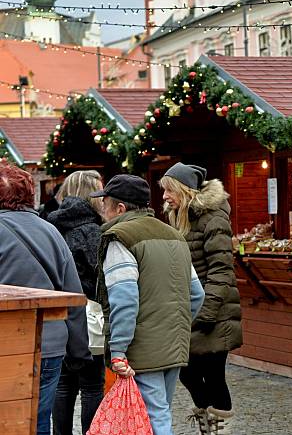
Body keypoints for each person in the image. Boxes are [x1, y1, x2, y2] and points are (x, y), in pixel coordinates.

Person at [91, 174, 205, 435]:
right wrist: (174, 325)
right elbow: (196, 295)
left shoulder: (120, 238)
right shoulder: (174, 236)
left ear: (120, 208)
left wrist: (118, 349)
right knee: (159, 409)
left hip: (141, 346)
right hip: (173, 342)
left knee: (154, 415)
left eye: (105, 203)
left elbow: (124, 299)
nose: (102, 210)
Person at [0, 161, 91, 435]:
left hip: (7, 344)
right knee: (37, 421)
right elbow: (73, 295)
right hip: (49, 345)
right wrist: (79, 351)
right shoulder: (51, 231)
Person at [160, 163, 243, 434]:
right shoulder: (179, 217)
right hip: (190, 312)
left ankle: (218, 428)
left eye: (169, 190)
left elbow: (222, 271)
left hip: (214, 313)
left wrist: (206, 312)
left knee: (213, 376)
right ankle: (209, 425)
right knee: (188, 372)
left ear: (185, 190)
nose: (164, 196)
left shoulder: (213, 218)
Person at [48, 170, 106, 435]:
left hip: (58, 313)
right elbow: (100, 275)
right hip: (88, 316)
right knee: (92, 385)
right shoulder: (93, 230)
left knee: (63, 384)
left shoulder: (51, 227)